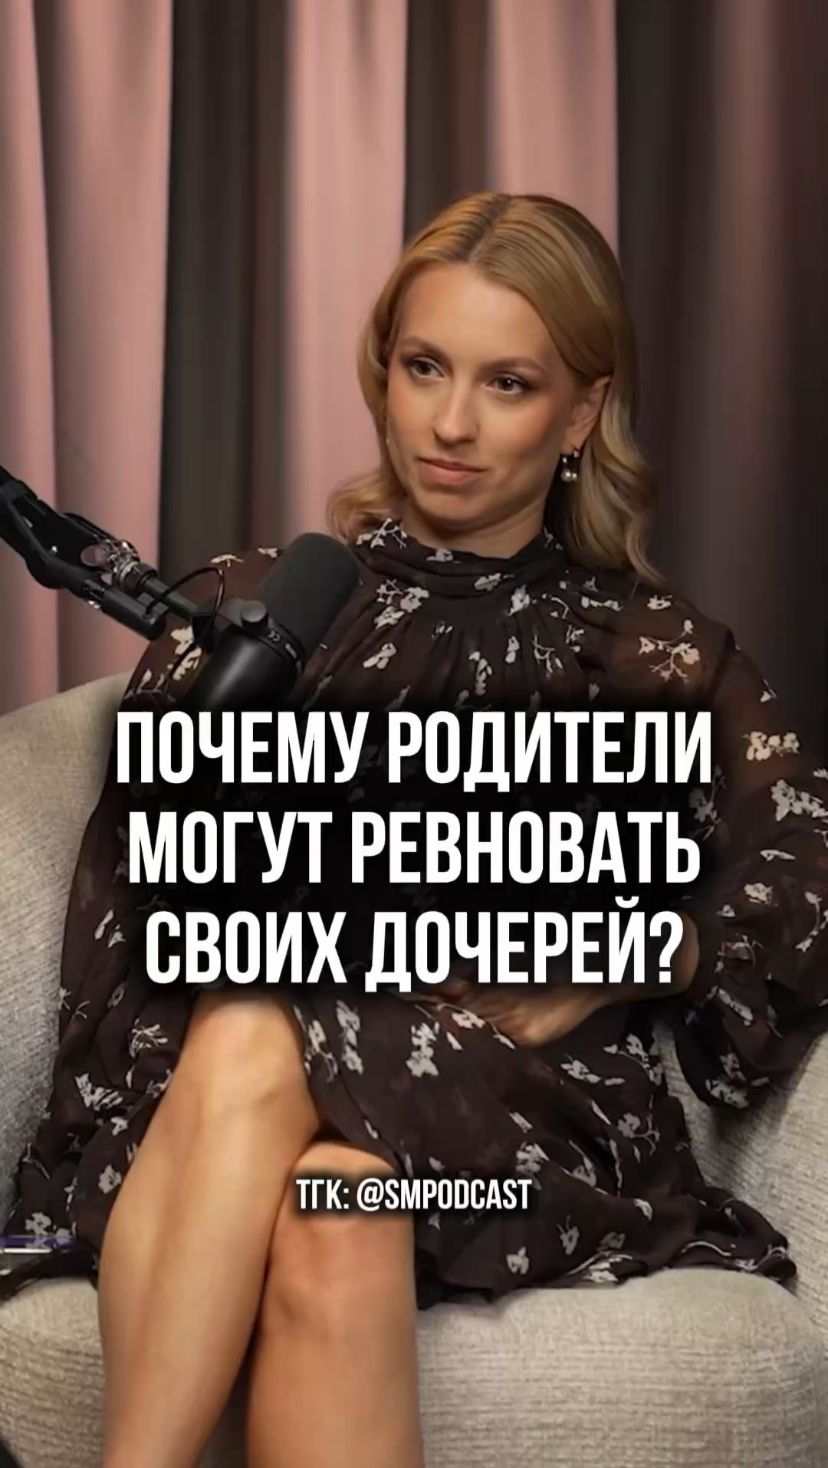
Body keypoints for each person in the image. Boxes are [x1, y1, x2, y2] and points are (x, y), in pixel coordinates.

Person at [2, 190, 827, 1468]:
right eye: (425, 366)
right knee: (332, 1213)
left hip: (514, 1140)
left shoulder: (656, 656)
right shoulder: (260, 611)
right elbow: (142, 897)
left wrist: (631, 949)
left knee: (259, 1034)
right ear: (381, 370)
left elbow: (802, 881)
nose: (450, 423)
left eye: (509, 383)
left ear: (582, 413)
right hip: (245, 1119)